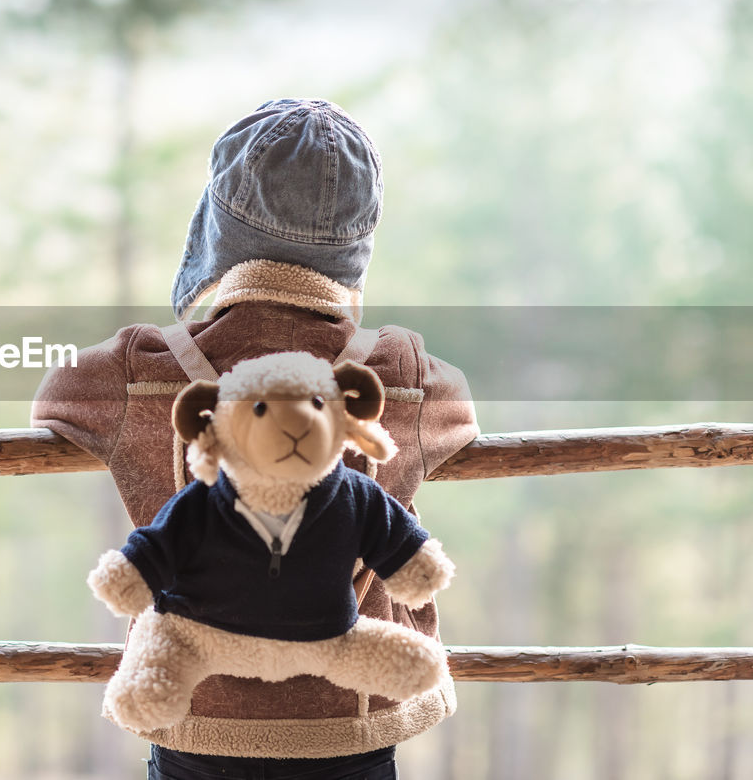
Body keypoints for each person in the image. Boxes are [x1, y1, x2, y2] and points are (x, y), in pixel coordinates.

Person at [31, 98, 479, 779]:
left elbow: (54, 397)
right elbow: (460, 419)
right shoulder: (402, 374)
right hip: (350, 725)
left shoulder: (140, 370)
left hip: (195, 718)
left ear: (219, 230)